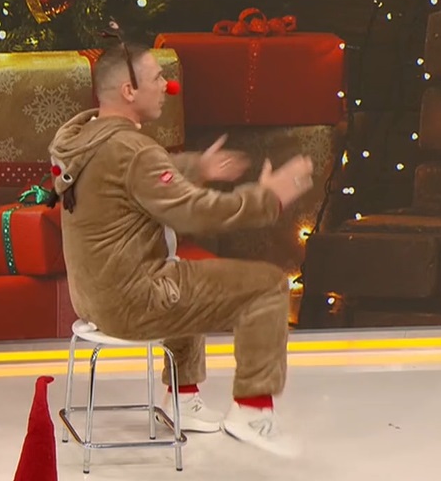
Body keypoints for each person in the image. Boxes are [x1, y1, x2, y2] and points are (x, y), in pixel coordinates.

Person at [47, 35, 314, 457]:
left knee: (182, 272)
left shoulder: (86, 139)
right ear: (129, 90)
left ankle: (183, 398)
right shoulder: (134, 150)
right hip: (134, 301)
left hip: (94, 298)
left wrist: (195, 166)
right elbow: (194, 213)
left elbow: (134, 178)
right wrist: (269, 198)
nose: (167, 87)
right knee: (266, 286)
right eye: (157, 78)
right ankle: (252, 411)